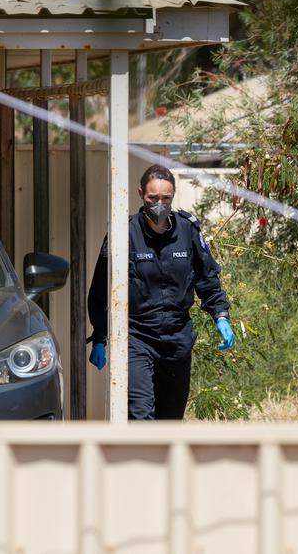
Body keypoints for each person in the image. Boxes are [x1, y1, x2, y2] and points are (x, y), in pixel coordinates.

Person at [87, 164, 235, 420]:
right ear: (140, 194)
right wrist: (100, 336)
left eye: (166, 198)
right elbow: (101, 288)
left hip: (177, 341)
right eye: (153, 198)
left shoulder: (187, 229)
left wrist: (220, 315)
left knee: (170, 423)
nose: (159, 204)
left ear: (173, 196)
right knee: (140, 416)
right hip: (138, 338)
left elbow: (207, 277)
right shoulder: (124, 233)